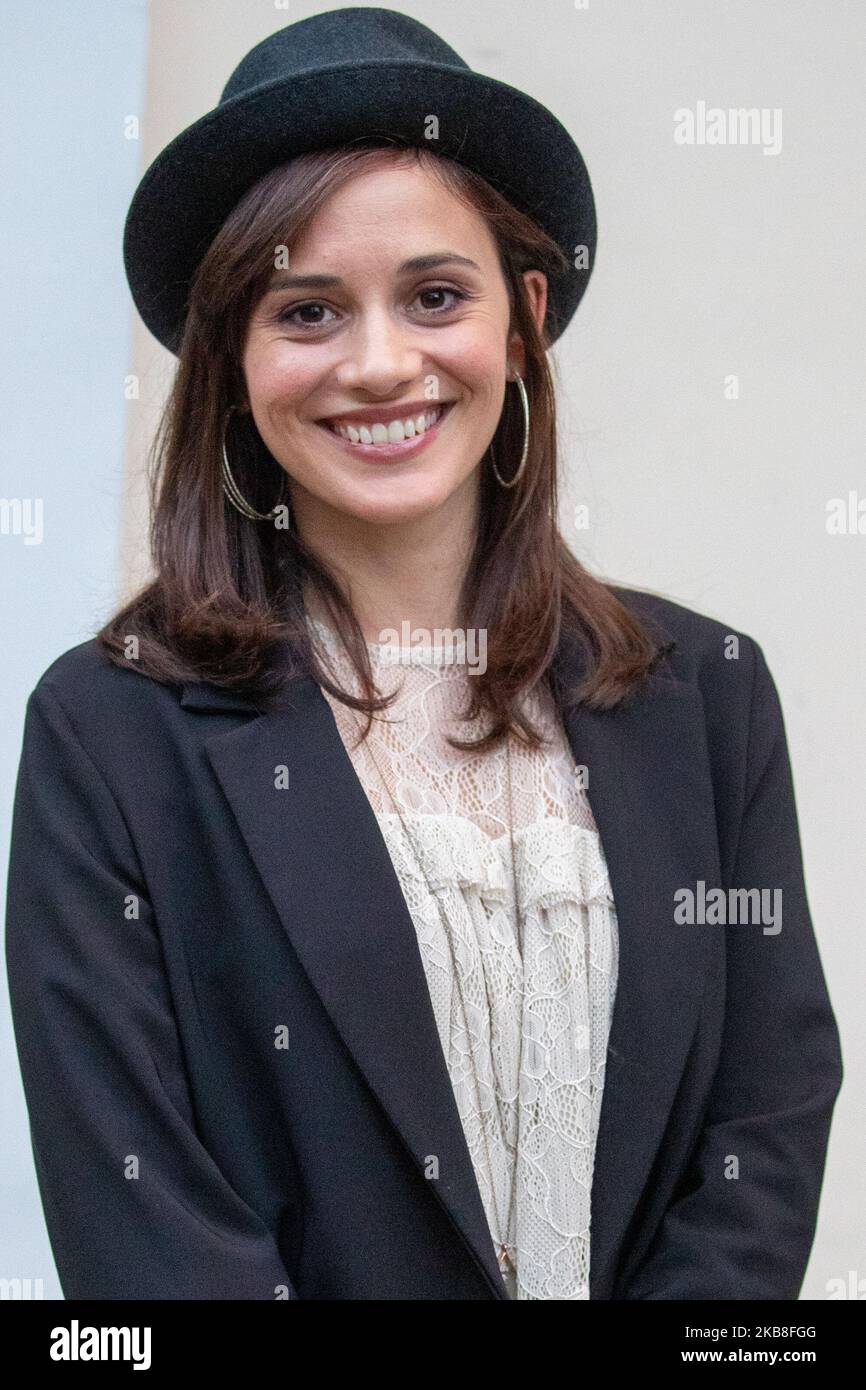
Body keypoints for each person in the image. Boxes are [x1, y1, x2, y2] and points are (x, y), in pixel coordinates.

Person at [5, 8, 842, 1301]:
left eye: (433, 295)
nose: (379, 362)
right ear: (231, 358)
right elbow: (145, 1227)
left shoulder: (709, 694)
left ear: (521, 317)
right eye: (307, 310)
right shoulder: (106, 733)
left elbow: (766, 1119)